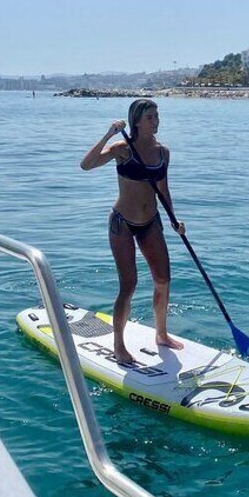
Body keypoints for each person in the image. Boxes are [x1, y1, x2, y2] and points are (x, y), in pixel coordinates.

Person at [80, 99, 186, 363]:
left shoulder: (163, 152)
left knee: (163, 279)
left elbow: (163, 189)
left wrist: (174, 220)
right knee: (129, 285)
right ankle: (119, 345)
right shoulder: (122, 149)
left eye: (157, 116)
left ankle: (161, 334)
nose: (156, 121)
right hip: (123, 223)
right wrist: (109, 134)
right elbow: (87, 165)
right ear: (137, 121)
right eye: (150, 117)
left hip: (151, 221)